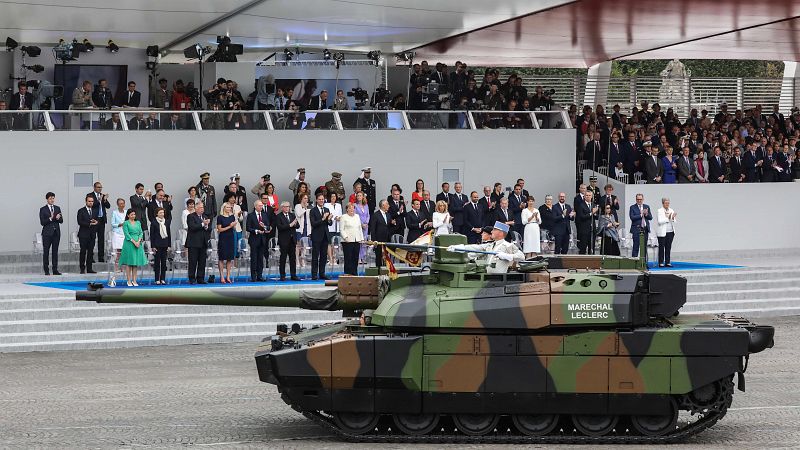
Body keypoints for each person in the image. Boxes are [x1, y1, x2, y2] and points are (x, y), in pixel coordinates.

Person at [447, 222, 524, 274]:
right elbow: (475, 248)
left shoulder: (508, 245)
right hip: (488, 278)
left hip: (499, 280)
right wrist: (458, 248)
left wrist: (507, 256)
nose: (492, 232)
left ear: (501, 233)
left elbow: (521, 256)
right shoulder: (490, 245)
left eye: (494, 230)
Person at [119, 209, 146, 286]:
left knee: (135, 263)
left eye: (134, 214)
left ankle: (134, 280)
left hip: (138, 243)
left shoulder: (138, 222)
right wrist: (134, 242)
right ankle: (128, 280)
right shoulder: (126, 223)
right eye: (131, 214)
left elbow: (141, 232)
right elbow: (127, 234)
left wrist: (139, 241)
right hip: (129, 243)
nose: (133, 216)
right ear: (128, 215)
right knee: (129, 263)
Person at [186, 202, 211, 284]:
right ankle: (192, 278)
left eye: (203, 207)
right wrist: (203, 224)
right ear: (196, 208)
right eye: (200, 207)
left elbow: (208, 229)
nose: (202, 209)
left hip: (203, 242)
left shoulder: (205, 217)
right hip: (193, 242)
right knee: (193, 261)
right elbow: (192, 227)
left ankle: (200, 278)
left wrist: (207, 226)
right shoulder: (191, 216)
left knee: (202, 262)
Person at [309, 193, 332, 280]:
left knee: (323, 256)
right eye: (320, 199)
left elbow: (329, 223)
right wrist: (322, 218)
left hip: (325, 235)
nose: (321, 201)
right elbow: (313, 223)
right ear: (317, 200)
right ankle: (314, 274)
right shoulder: (313, 210)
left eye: (323, 199)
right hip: (316, 236)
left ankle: (322, 273)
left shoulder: (326, 209)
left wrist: (329, 219)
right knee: (315, 256)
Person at [275, 201, 301, 281]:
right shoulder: (279, 216)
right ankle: (282, 275)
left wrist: (294, 224)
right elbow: (280, 227)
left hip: (292, 239)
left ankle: (293, 275)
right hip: (284, 240)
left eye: (288, 206)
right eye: (286, 207)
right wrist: (290, 225)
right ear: (282, 208)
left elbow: (297, 225)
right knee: (283, 258)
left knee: (292, 258)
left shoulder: (292, 215)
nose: (287, 208)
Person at [39, 192, 63, 275]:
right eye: (50, 198)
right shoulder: (43, 209)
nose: (52, 200)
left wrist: (58, 218)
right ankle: (46, 270)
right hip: (47, 234)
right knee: (46, 252)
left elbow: (61, 221)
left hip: (56, 233)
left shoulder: (57, 208)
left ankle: (55, 270)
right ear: (47, 199)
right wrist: (50, 218)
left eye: (53, 198)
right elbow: (42, 222)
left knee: (55, 252)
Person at [247, 200, 270, 282]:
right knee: (254, 258)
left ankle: (260, 276)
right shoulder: (251, 215)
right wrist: (256, 231)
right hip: (254, 239)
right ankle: (253, 276)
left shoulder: (264, 215)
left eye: (262, 206)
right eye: (260, 205)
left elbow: (268, 227)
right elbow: (248, 227)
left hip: (262, 239)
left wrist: (264, 227)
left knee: (260, 258)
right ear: (255, 206)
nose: (261, 207)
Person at [88, 181, 111, 263]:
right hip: (94, 220)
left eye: (101, 187)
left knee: (101, 239)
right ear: (94, 188)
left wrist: (104, 200)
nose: (100, 189)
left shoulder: (103, 196)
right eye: (98, 187)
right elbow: (91, 205)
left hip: (102, 220)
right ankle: (91, 257)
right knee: (92, 239)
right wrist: (100, 200)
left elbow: (108, 206)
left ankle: (101, 257)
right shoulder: (90, 195)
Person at [340, 202, 364, 275]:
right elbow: (341, 229)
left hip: (357, 240)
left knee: (355, 257)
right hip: (347, 241)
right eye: (349, 208)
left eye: (353, 208)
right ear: (347, 209)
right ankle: (347, 273)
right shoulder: (343, 217)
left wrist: (361, 238)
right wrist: (345, 237)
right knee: (348, 258)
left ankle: (354, 273)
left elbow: (359, 228)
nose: (352, 209)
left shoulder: (357, 216)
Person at [149, 207, 171, 285]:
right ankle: (157, 279)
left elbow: (169, 234)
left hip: (165, 244)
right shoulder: (154, 222)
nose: (162, 214)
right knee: (157, 263)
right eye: (160, 212)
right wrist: (153, 246)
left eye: (163, 212)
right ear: (157, 213)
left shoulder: (167, 222)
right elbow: (152, 235)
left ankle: (163, 279)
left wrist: (169, 245)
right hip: (157, 245)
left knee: (164, 263)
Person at [216, 203, 237, 283]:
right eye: (227, 207)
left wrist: (234, 225)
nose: (229, 209)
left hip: (230, 238)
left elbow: (234, 228)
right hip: (223, 238)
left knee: (229, 258)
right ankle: (221, 276)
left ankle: (228, 276)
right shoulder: (220, 217)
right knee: (221, 258)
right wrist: (230, 226)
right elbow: (219, 229)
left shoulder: (232, 217)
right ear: (224, 208)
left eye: (230, 207)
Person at [77, 195, 97, 274]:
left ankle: (89, 268)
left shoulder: (95, 211)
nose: (91, 203)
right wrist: (90, 223)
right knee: (83, 252)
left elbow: (98, 221)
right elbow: (80, 222)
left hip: (92, 234)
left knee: (90, 252)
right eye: (89, 201)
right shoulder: (81, 210)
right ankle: (82, 268)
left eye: (92, 201)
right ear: (86, 201)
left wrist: (96, 222)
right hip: (83, 234)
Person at [368, 200, 392, 267]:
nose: (388, 206)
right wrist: (374, 240)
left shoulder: (388, 214)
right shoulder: (375, 215)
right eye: (387, 204)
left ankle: (386, 270)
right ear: (383, 205)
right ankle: (379, 271)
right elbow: (372, 228)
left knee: (386, 256)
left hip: (387, 239)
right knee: (379, 256)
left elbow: (388, 226)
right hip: (378, 240)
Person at [629, 193, 653, 258]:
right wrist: (641, 215)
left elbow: (650, 217)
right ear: (636, 199)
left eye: (640, 199)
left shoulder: (646, 206)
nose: (639, 200)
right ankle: (634, 262)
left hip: (645, 229)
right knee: (636, 246)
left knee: (644, 246)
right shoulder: (632, 207)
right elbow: (632, 217)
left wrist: (646, 214)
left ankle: (644, 263)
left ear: (643, 199)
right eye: (638, 199)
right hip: (636, 229)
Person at [574, 190, 598, 255]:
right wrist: (591, 213)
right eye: (586, 195)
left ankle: (592, 264)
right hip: (584, 230)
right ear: (584, 196)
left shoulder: (594, 205)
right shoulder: (581, 205)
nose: (588, 197)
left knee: (592, 248)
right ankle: (581, 264)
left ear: (592, 196)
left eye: (589, 195)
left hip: (592, 230)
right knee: (583, 248)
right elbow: (582, 217)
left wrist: (595, 214)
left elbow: (597, 217)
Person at [656, 197, 677, 268]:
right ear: (663, 203)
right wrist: (668, 218)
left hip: (670, 231)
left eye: (668, 203)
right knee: (661, 247)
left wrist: (673, 217)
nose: (667, 204)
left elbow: (674, 220)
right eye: (666, 203)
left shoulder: (671, 210)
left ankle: (668, 262)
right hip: (662, 232)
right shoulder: (660, 211)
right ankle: (661, 262)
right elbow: (659, 221)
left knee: (668, 247)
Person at [325, 192, 343, 267]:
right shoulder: (327, 205)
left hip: (337, 226)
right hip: (330, 226)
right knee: (329, 243)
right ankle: (330, 258)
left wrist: (339, 218)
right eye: (332, 196)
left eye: (334, 196)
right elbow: (326, 215)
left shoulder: (338, 205)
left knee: (336, 243)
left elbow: (341, 214)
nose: (333, 198)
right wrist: (332, 218)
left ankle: (335, 258)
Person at [110, 198, 127, 276]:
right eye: (120, 203)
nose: (122, 205)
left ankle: (123, 267)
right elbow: (113, 224)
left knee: (125, 251)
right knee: (118, 252)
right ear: (117, 204)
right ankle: (117, 267)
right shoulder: (115, 212)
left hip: (125, 233)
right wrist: (120, 224)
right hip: (117, 233)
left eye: (123, 203)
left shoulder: (126, 212)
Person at [294, 194, 311, 268]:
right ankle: (297, 260)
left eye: (307, 198)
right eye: (304, 198)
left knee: (305, 244)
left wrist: (307, 208)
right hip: (299, 228)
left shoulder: (308, 207)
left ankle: (303, 259)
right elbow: (299, 214)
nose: (306, 200)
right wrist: (304, 208)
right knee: (298, 245)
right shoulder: (298, 206)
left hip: (307, 228)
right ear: (301, 199)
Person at [354, 192, 370, 263]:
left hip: (365, 226)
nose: (359, 197)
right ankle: (359, 258)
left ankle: (363, 257)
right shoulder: (355, 205)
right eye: (358, 196)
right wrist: (361, 224)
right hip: (358, 226)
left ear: (363, 197)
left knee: (364, 242)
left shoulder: (366, 205)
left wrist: (366, 223)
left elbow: (368, 215)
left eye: (360, 195)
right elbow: (355, 216)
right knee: (359, 241)